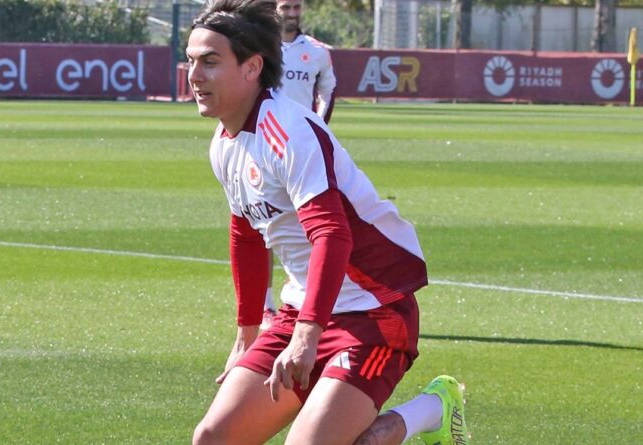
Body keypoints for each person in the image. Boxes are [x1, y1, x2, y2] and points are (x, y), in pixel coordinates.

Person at [187, 1, 469, 444]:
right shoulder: (224, 143)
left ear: (251, 67)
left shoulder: (290, 130)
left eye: (210, 61)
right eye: (191, 61)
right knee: (212, 438)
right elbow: (246, 232)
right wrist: (247, 334)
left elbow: (331, 235)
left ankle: (431, 410)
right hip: (303, 308)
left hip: (372, 309)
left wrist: (307, 334)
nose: (194, 75)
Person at [261, 0, 339, 331]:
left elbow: (328, 91)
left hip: (303, 151)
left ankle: (309, 299)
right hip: (263, 145)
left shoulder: (319, 52)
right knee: (263, 226)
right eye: (285, 6)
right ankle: (265, 306)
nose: (292, 12)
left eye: (296, 6)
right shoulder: (260, 48)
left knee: (310, 225)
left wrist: (318, 130)